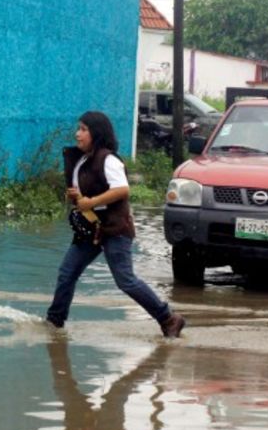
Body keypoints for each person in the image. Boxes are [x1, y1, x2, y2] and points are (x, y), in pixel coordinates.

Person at [46, 111, 185, 338]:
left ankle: (169, 318)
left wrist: (90, 201)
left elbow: (121, 189)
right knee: (66, 273)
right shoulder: (82, 160)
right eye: (78, 129)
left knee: (126, 281)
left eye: (83, 129)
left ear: (96, 133)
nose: (77, 134)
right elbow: (90, 190)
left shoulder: (108, 159)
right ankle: (54, 324)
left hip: (114, 229)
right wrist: (76, 195)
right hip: (91, 228)